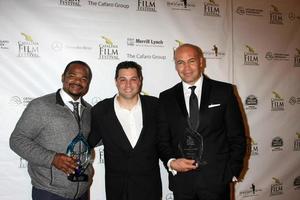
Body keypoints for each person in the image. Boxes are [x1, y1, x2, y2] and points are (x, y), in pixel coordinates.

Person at [158, 44, 246, 200]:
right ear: (175, 65)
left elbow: (237, 136)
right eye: (180, 62)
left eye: (191, 61)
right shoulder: (166, 97)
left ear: (201, 62)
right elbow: (163, 140)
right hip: (182, 183)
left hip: (217, 182)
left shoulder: (224, 92)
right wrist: (171, 162)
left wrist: (232, 171)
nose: (186, 68)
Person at [9, 60, 93, 200]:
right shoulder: (40, 106)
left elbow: (93, 140)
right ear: (63, 77)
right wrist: (52, 158)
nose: (78, 81)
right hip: (49, 192)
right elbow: (17, 140)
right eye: (72, 75)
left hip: (82, 192)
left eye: (84, 78)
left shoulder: (89, 110)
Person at [88, 61, 162, 200]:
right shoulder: (101, 110)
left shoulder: (155, 106)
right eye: (123, 80)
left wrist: (173, 161)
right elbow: (87, 142)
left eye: (133, 79)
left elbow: (165, 141)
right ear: (116, 81)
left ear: (140, 81)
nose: (128, 85)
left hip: (150, 188)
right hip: (117, 189)